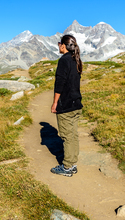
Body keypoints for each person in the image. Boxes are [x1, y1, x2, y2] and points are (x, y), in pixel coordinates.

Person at [50, 34, 83, 177]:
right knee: (73, 134)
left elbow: (60, 84)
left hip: (66, 105)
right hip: (76, 103)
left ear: (63, 45)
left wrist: (55, 102)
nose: (58, 45)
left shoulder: (63, 60)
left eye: (59, 43)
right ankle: (73, 163)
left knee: (67, 136)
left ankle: (68, 167)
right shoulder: (76, 59)